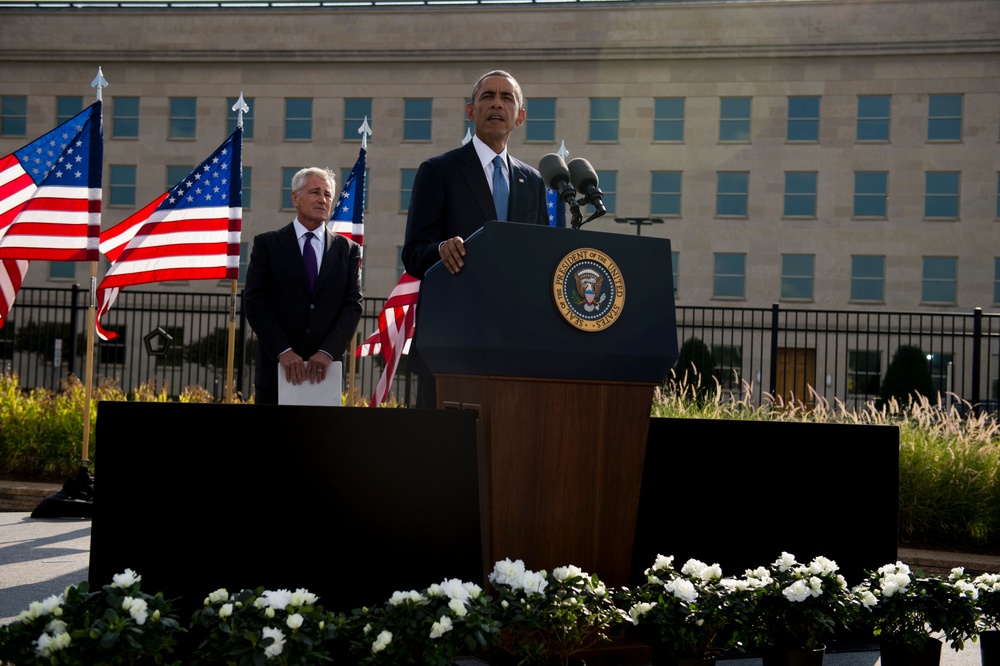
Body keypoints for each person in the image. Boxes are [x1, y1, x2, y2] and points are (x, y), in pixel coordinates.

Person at [402, 69, 549, 407]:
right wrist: (441, 250)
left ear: (520, 116)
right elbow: (413, 253)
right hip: (450, 346)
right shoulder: (438, 171)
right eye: (487, 96)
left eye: (506, 97)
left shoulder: (535, 182)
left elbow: (540, 257)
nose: (497, 103)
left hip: (514, 347)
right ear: (471, 111)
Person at [244, 167, 363, 405]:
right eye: (315, 192)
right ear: (295, 198)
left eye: (328, 195)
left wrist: (328, 352)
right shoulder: (267, 245)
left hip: (325, 375)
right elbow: (256, 303)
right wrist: (283, 351)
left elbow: (353, 305)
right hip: (276, 373)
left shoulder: (348, 250)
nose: (323, 199)